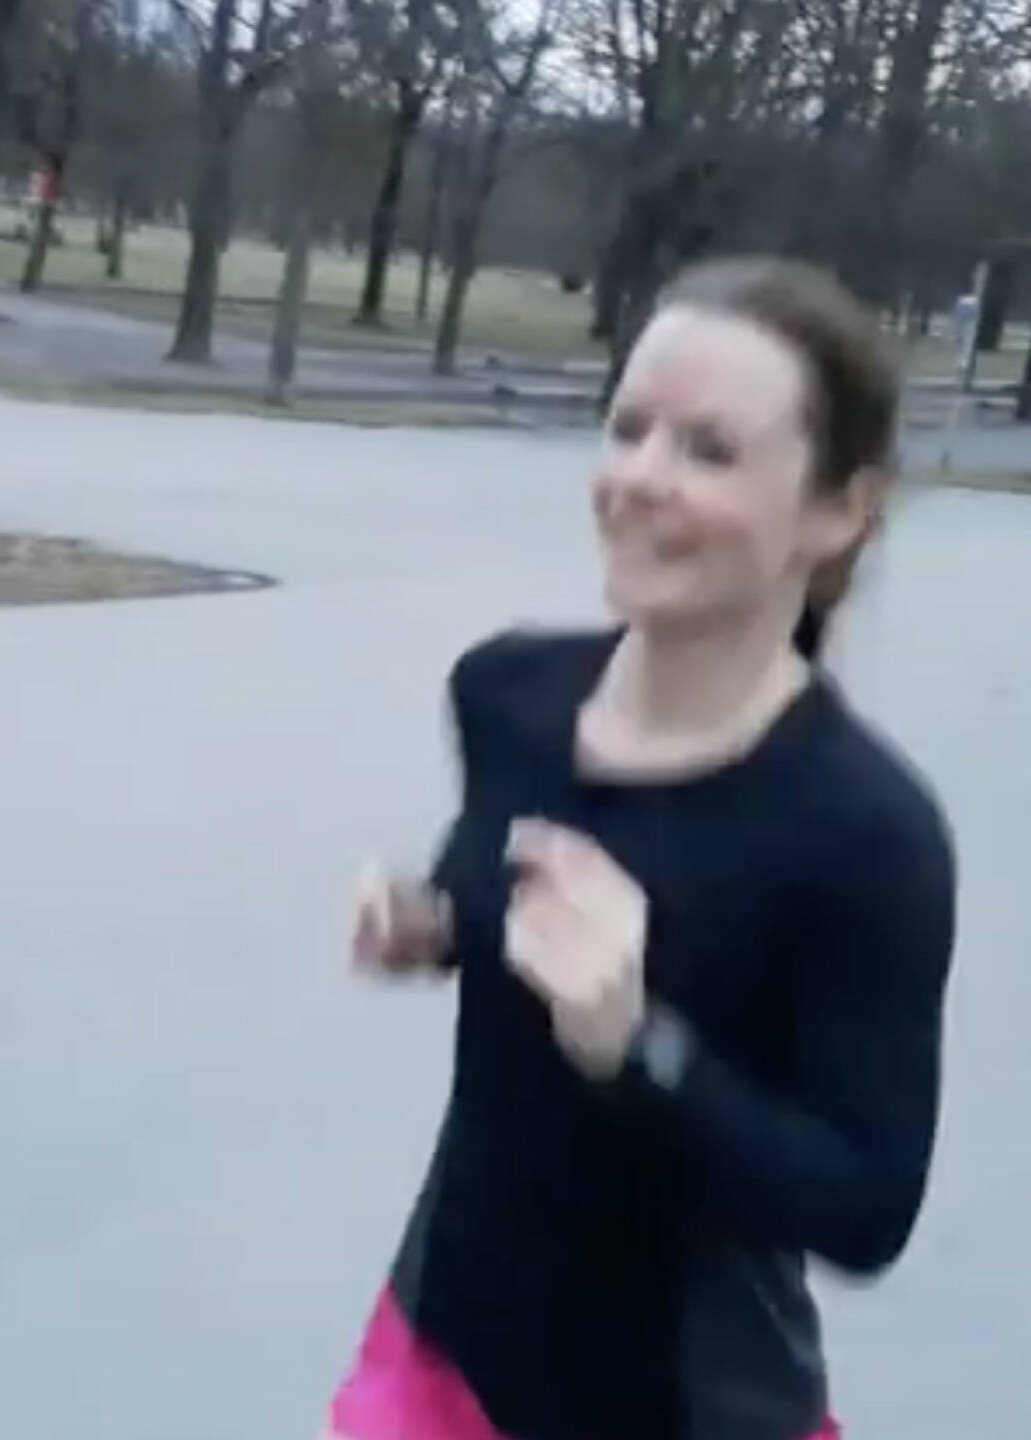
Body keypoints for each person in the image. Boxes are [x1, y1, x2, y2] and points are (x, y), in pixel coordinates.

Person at [328, 257, 957, 1440]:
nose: (637, 480)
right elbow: (504, 899)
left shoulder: (867, 833)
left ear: (837, 509)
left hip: (681, 1405)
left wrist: (635, 1048)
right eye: (628, 429)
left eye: (709, 451)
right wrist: (436, 924)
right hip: (441, 1353)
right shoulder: (507, 691)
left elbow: (868, 1206)